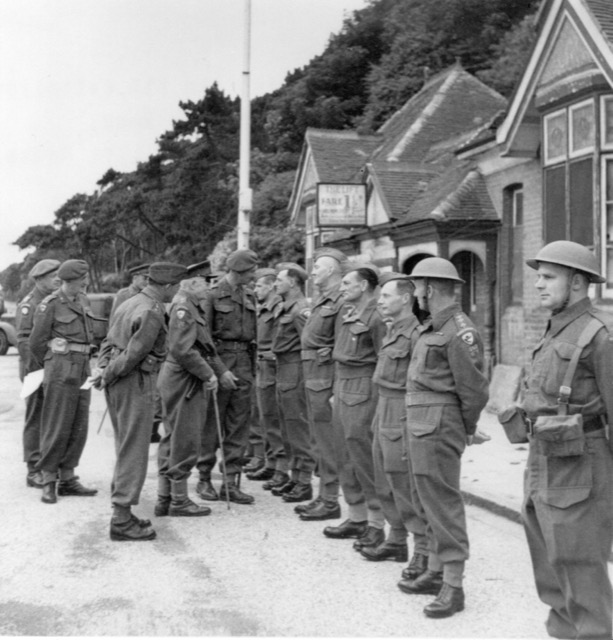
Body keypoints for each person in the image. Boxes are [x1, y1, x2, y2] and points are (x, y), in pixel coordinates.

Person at [517, 241, 613, 640]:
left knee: (578, 562)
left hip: (581, 462)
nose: (537, 284)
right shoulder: (557, 325)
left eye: (547, 276)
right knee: (548, 561)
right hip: (543, 457)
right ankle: (563, 632)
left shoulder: (599, 335)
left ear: (577, 282)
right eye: (538, 275)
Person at [398, 257, 489, 619]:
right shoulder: (433, 326)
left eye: (418, 287)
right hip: (422, 422)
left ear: (430, 289)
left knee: (442, 503)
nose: (415, 294)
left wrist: (463, 428)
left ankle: (454, 585)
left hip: (438, 424)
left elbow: (474, 391)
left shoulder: (458, 330)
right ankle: (436, 571)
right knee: (426, 500)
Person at [94, 262, 188, 541]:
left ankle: (122, 511)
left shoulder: (131, 301)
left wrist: (103, 370)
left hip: (121, 381)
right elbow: (134, 354)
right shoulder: (152, 310)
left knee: (126, 447)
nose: (179, 291)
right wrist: (109, 374)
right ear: (168, 286)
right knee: (134, 450)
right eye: (178, 286)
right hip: (134, 381)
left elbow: (108, 343)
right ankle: (121, 519)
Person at [323, 263, 388, 554]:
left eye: (348, 283)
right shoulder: (350, 313)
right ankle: (357, 516)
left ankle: (377, 522)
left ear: (363, 286)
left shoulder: (377, 316)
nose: (342, 287)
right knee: (345, 454)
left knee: (363, 455)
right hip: (344, 386)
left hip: (364, 389)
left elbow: (384, 360)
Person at [370, 272, 429, 579]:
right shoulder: (391, 330)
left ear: (405, 299)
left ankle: (421, 549)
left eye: (386, 296)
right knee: (383, 476)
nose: (380, 301)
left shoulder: (417, 335)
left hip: (402, 409)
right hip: (383, 405)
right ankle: (396, 538)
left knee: (403, 480)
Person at [155, 260, 224, 518]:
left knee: (172, 437)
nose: (209, 287)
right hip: (184, 379)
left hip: (180, 377)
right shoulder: (185, 307)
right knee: (184, 438)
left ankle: (165, 497)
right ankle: (179, 501)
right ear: (193, 283)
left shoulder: (190, 305)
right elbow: (182, 349)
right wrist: (208, 374)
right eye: (206, 282)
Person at [29, 259, 98, 504]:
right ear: (70, 280)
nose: (86, 282)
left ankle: (68, 478)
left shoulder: (84, 300)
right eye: (83, 278)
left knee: (79, 424)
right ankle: (49, 479)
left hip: (83, 369)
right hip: (60, 369)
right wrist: (52, 365)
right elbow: (36, 344)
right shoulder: (49, 305)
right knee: (56, 425)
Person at [196, 249, 258, 505]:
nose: (255, 275)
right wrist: (219, 371)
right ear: (239, 270)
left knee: (239, 424)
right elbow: (204, 339)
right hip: (220, 361)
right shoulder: (211, 296)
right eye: (251, 270)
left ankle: (231, 482)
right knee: (213, 423)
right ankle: (203, 478)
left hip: (244, 363)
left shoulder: (250, 295)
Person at [298, 247, 346, 521]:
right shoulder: (322, 300)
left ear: (330, 271)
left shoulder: (341, 302)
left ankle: (330, 500)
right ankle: (323, 496)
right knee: (318, 442)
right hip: (313, 377)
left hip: (325, 382)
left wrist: (336, 389)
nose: (313, 272)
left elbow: (342, 349)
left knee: (328, 445)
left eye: (317, 268)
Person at [271, 264, 315, 502]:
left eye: (280, 280)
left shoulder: (300, 310)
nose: (275, 283)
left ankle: (305, 481)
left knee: (297, 427)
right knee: (287, 429)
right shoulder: (285, 307)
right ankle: (295, 476)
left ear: (294, 283)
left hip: (295, 369)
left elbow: (308, 344)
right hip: (283, 368)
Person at [16, 258, 61, 488]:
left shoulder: (54, 300)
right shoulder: (29, 303)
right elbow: (23, 341)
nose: (57, 279)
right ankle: (33, 469)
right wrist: (40, 370)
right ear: (39, 279)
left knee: (51, 418)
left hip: (52, 369)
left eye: (58, 275)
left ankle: (47, 465)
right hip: (35, 370)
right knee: (35, 418)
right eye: (52, 276)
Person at [250, 267, 286, 485]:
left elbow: (281, 343)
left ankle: (281, 467)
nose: (255, 290)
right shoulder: (263, 308)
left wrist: (269, 356)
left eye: (259, 285)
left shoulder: (277, 309)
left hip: (272, 369)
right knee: (264, 418)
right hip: (261, 368)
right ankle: (271, 462)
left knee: (274, 418)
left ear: (272, 286)